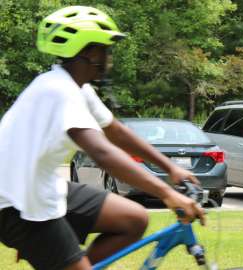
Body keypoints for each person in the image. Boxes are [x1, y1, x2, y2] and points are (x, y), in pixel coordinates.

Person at [0, 6, 205, 270]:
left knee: (133, 218)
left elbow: (115, 131)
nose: (109, 58)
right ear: (88, 51)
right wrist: (166, 193)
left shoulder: (77, 89)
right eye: (105, 49)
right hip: (15, 203)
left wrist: (171, 168)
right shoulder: (59, 91)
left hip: (41, 188)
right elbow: (102, 152)